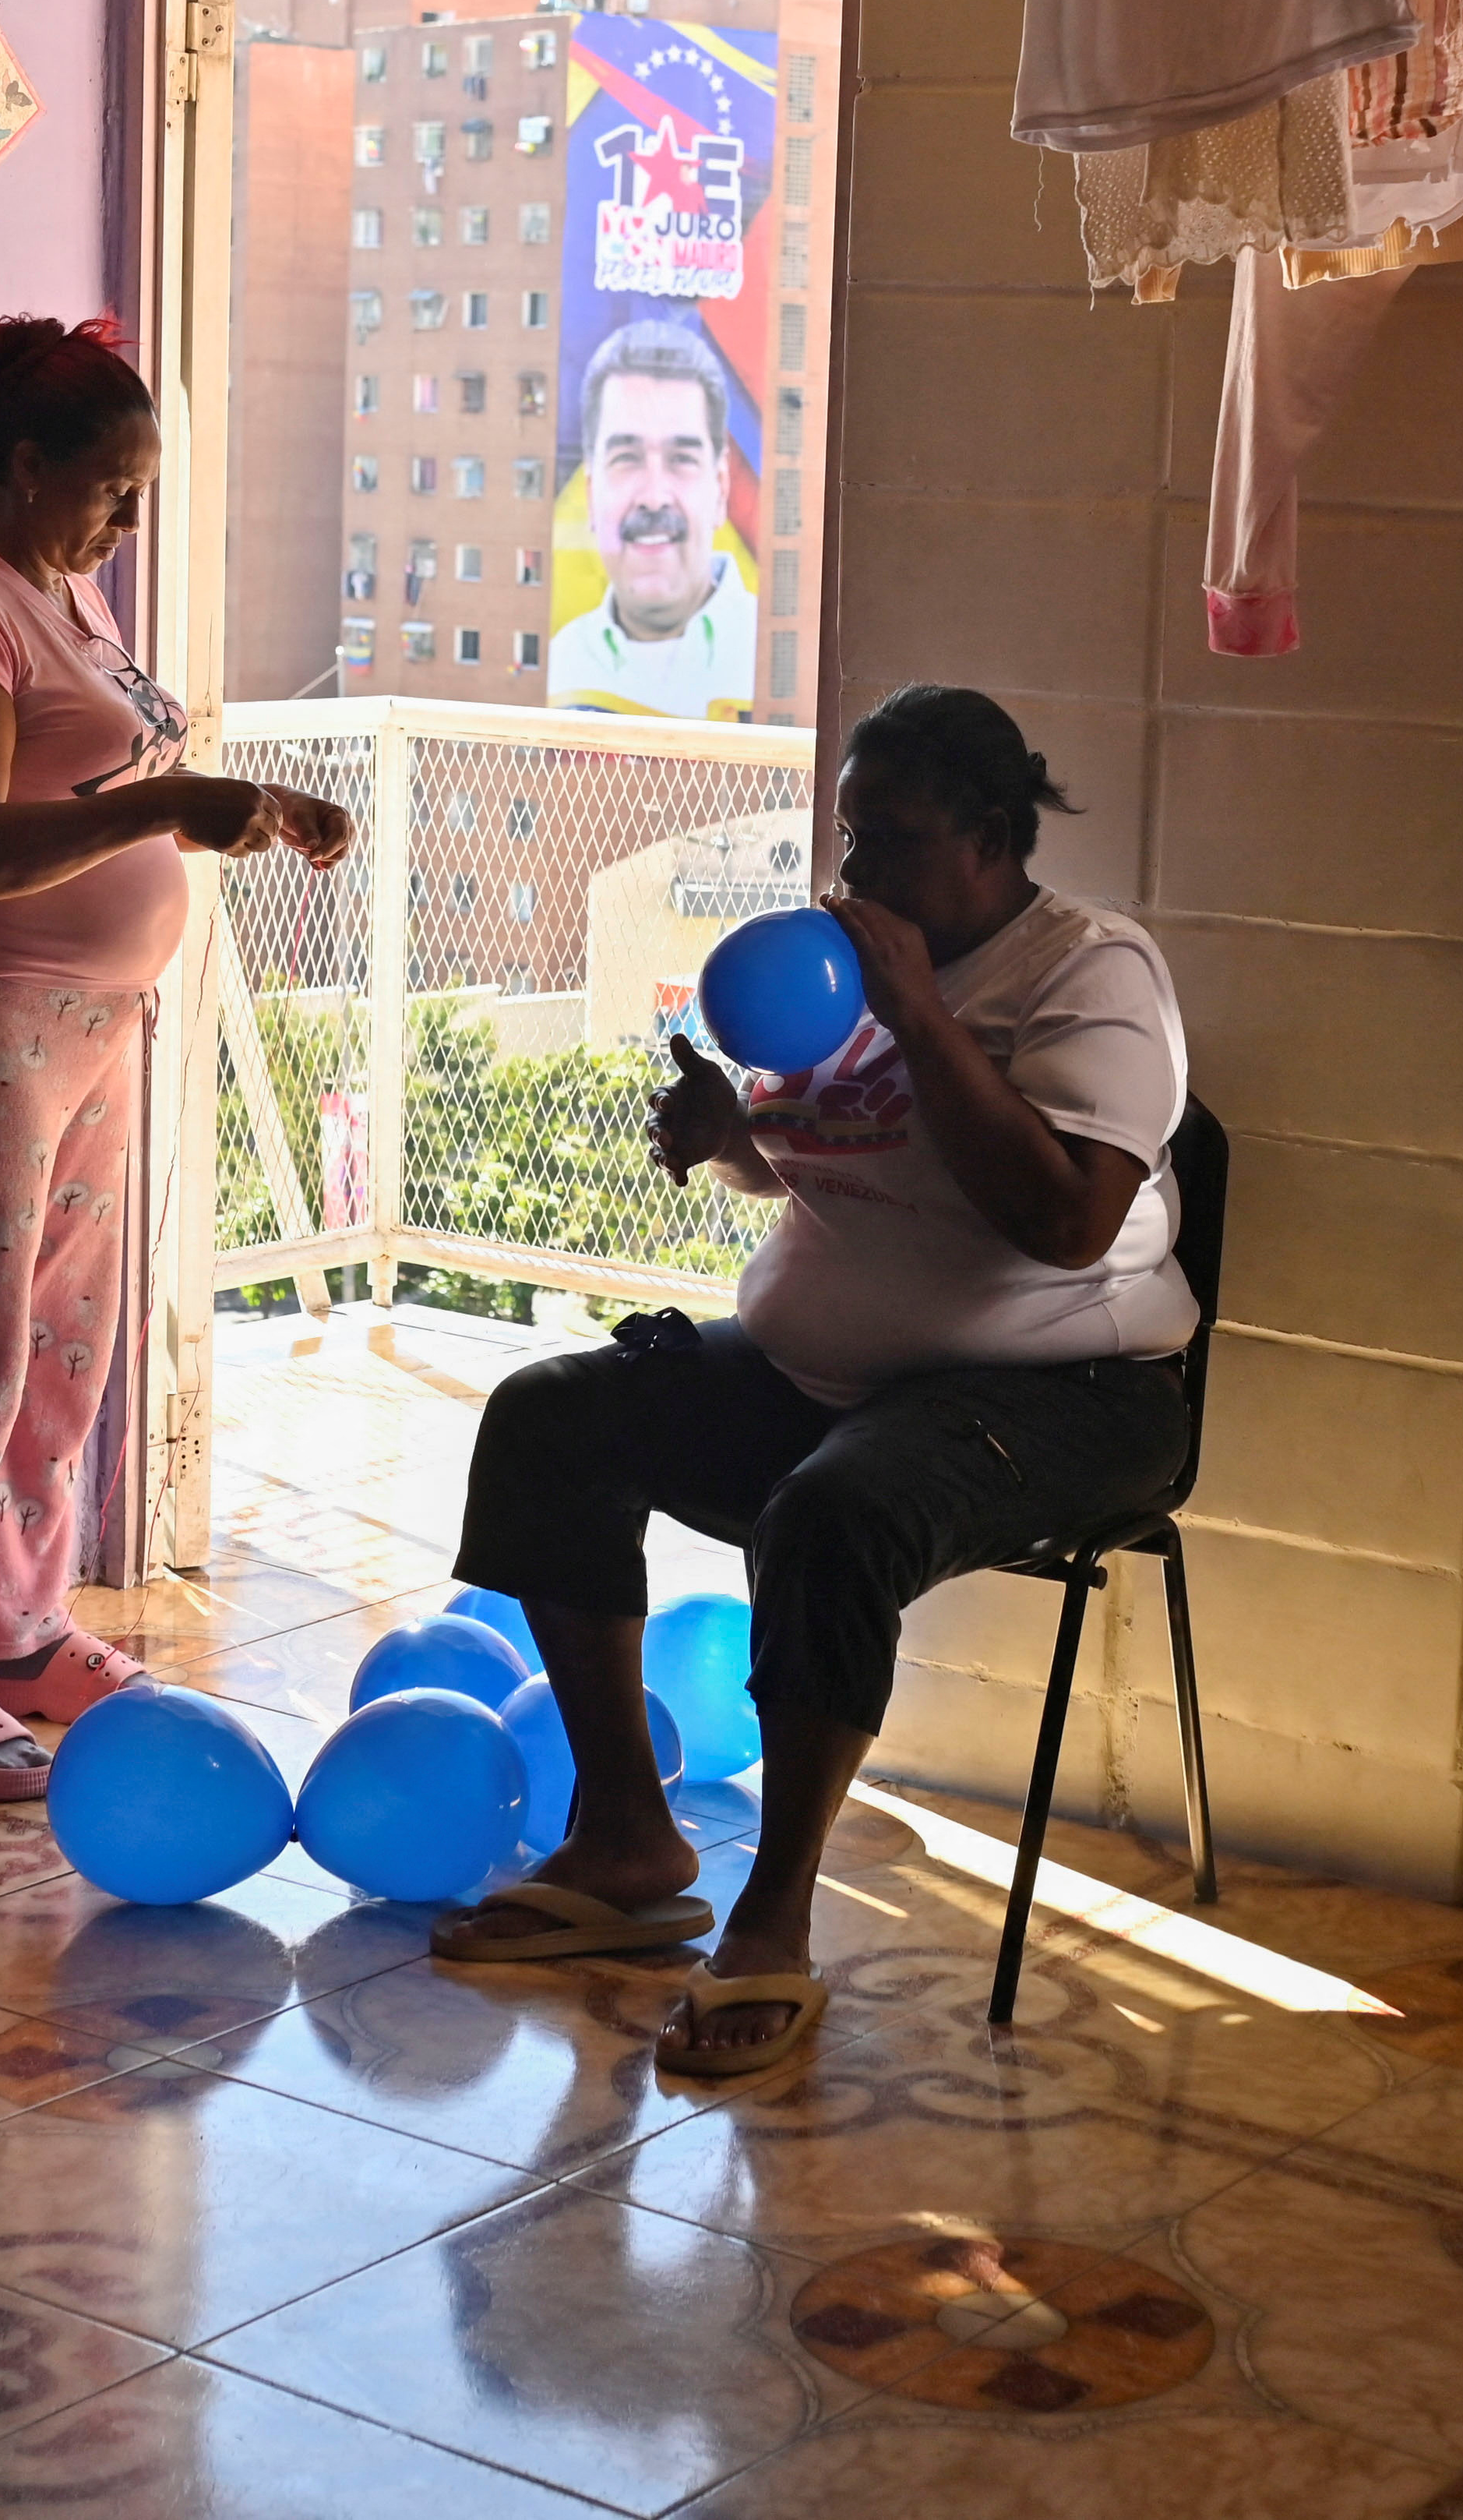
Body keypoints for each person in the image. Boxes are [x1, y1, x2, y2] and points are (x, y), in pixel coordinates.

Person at [427, 687, 1196, 2075]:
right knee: (552, 1413)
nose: (857, 875)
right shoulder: (836, 971)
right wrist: (731, 1138)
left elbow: (1064, 1222)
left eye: (893, 841)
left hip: (1063, 1392)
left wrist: (916, 1010)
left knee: (832, 1512)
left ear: (994, 836)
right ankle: (622, 1840)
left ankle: (771, 1921)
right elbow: (837, 1169)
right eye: (850, 836)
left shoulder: (1088, 972)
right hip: (815, 1366)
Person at [0, 314, 350, 1798]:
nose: (128, 521)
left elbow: (108, 778)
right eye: (110, 490)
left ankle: (15, 1629)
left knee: (61, 1358)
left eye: (141, 492)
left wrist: (245, 805)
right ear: (21, 461)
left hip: (84, 1028)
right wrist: (164, 808)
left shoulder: (63, 594)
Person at [545, 312, 766, 718]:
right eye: (627, 459)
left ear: (720, 490)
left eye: (681, 459)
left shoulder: (770, 656)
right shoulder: (561, 665)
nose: (653, 497)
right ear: (592, 493)